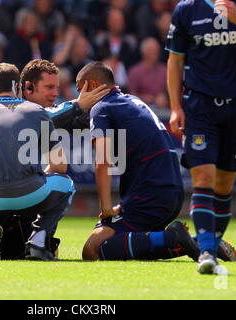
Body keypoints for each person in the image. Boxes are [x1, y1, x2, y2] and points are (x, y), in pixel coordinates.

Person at [0, 59, 109, 260]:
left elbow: (62, 119)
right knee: (44, 190)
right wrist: (77, 105)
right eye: (49, 87)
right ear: (26, 88)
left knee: (14, 228)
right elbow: (51, 117)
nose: (55, 93)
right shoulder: (15, 108)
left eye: (56, 88)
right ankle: (37, 241)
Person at [166, 0, 236, 274]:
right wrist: (176, 107)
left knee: (225, 185)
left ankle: (211, 245)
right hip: (200, 105)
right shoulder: (187, 9)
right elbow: (175, 60)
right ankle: (206, 253)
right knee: (203, 178)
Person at [78, 61, 199, 262]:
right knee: (133, 243)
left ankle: (175, 239)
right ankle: (197, 242)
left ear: (90, 85)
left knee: (93, 249)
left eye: (79, 89)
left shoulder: (101, 107)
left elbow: (103, 161)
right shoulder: (133, 102)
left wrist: (106, 208)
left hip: (150, 195)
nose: (79, 98)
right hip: (172, 193)